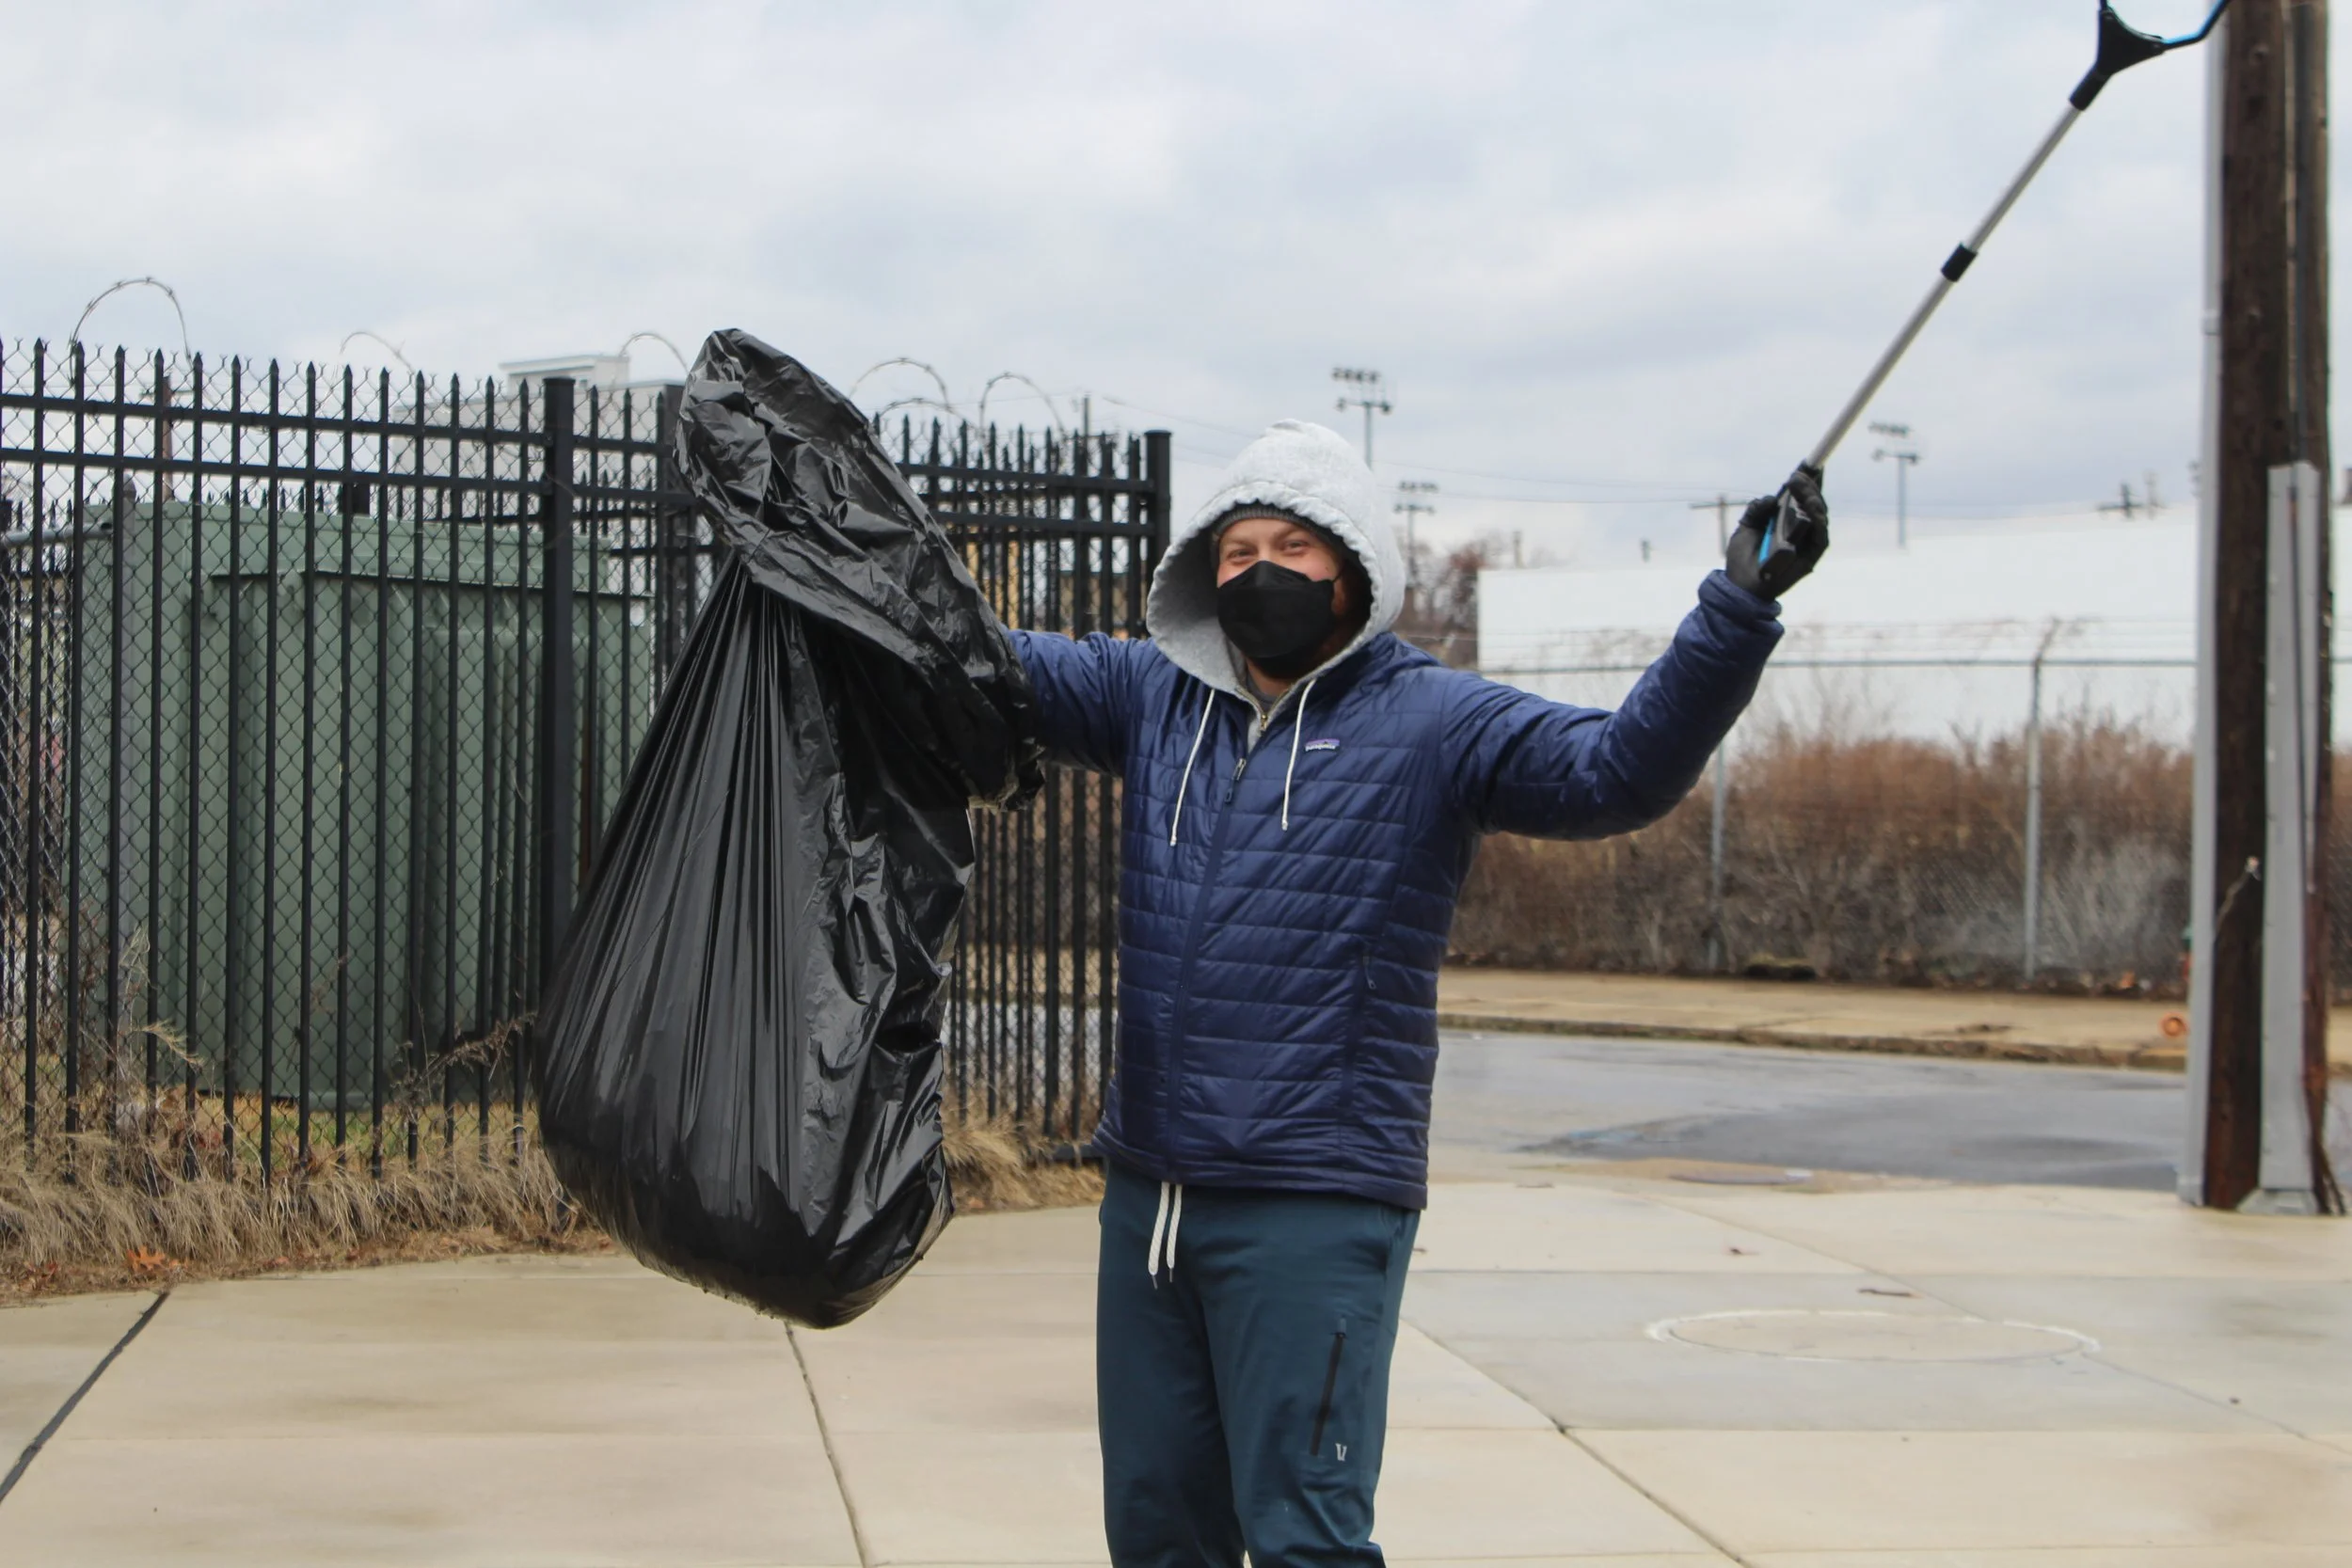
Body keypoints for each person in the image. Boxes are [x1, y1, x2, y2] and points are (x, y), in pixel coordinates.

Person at [1004, 419, 1826, 1566]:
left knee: (1306, 1540)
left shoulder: (1434, 722)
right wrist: (824, 557)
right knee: (1155, 1532)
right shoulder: (1153, 698)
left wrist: (1734, 610)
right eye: (1238, 550)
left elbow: (1617, 770)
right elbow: (975, 660)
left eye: (1292, 545)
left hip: (1314, 1204)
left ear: (1351, 565)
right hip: (1150, 1201)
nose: (1262, 571)